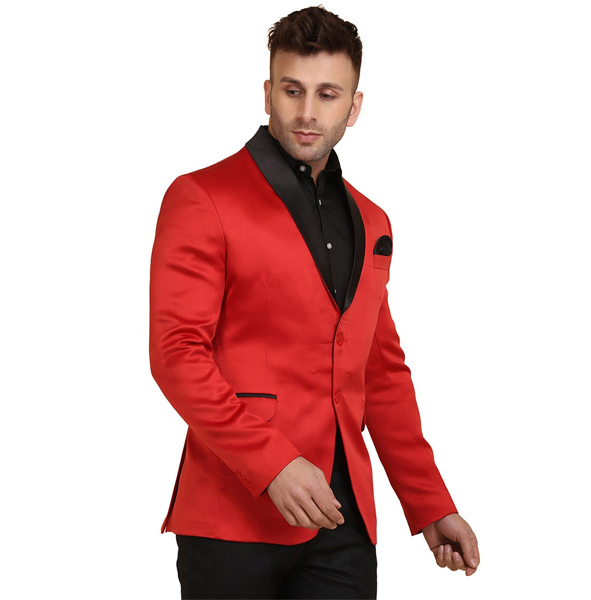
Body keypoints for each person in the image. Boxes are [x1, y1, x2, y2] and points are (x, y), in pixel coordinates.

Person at [149, 5, 479, 599]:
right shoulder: (202, 197)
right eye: (292, 90)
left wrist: (429, 501)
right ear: (267, 94)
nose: (307, 112)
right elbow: (177, 354)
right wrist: (273, 462)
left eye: (327, 94)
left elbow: (380, 373)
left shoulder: (372, 219)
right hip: (231, 516)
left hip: (342, 519)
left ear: (354, 106)